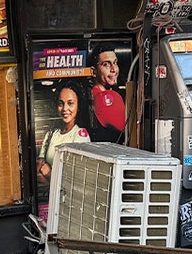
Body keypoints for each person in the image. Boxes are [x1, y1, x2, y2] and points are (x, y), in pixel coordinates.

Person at [36, 81, 91, 220]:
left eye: (70, 103)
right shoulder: (51, 134)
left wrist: (49, 175)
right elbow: (39, 170)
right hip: (49, 202)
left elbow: (76, 180)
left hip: (70, 207)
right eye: (61, 103)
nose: (65, 108)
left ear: (79, 106)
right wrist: (55, 176)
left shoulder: (80, 136)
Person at [89, 45, 125, 143]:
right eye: (106, 64)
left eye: (115, 63)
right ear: (94, 72)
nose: (113, 69)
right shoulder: (105, 97)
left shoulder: (92, 94)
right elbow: (128, 129)